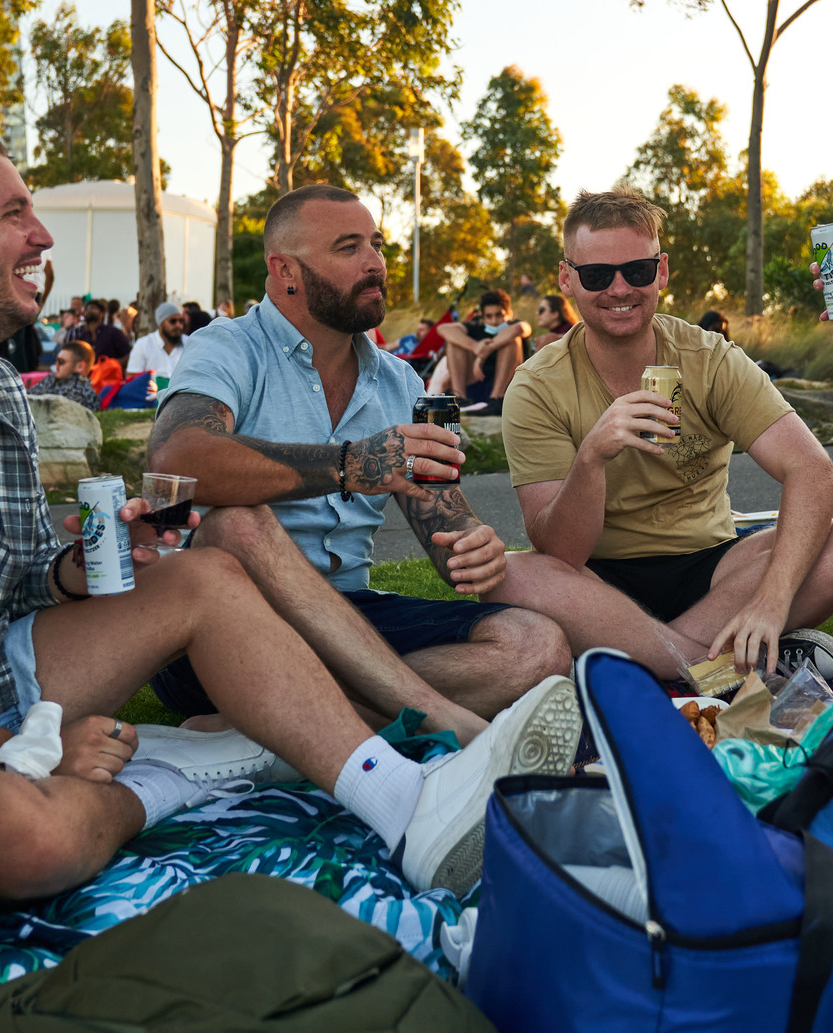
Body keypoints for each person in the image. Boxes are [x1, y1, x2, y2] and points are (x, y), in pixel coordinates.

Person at [0, 129, 581, 903]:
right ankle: (180, 772)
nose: (41, 237)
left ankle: (407, 801)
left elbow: (18, 576)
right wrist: (12, 750)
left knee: (203, 575)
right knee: (29, 836)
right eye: (14, 214)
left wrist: (85, 562)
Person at [146, 186, 573, 721]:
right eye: (349, 248)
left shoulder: (399, 381)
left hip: (351, 615)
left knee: (536, 646)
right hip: (222, 620)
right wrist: (351, 463)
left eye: (375, 243)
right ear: (286, 272)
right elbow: (177, 457)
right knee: (236, 526)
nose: (376, 263)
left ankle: (262, 727)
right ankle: (443, 722)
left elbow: (444, 525)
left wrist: (471, 546)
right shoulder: (228, 347)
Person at [493, 188, 833, 681]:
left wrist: (772, 602)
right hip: (596, 580)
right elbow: (562, 552)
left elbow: (814, 472)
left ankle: (650, 659)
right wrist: (592, 457)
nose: (620, 288)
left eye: (639, 271)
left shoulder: (709, 357)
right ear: (567, 279)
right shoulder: (538, 385)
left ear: (662, 271)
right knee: (507, 574)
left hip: (712, 570)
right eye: (597, 275)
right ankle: (708, 665)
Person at [430, 288, 528, 412]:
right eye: (489, 316)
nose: (494, 321)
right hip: (476, 380)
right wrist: (474, 346)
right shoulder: (476, 326)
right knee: (454, 341)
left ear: (509, 313)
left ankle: (496, 399)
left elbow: (519, 329)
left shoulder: (514, 324)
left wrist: (484, 353)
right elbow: (443, 329)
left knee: (512, 340)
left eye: (499, 315)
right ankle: (459, 398)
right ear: (483, 316)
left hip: (507, 386)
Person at [127, 300, 191, 379]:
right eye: (173, 321)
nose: (178, 325)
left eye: (181, 321)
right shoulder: (143, 345)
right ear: (161, 323)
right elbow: (132, 379)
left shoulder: (189, 344)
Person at [30, 340, 101, 410]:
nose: (56, 365)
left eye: (61, 362)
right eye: (57, 360)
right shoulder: (51, 378)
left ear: (80, 366)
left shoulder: (82, 392)